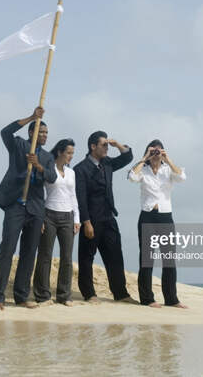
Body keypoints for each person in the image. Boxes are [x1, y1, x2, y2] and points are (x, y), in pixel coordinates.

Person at [0, 107, 57, 310]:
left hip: (36, 209)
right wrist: (32, 117)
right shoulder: (19, 146)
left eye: (46, 133)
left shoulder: (47, 157)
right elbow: (5, 132)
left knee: (29, 253)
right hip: (15, 206)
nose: (44, 136)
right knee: (7, 250)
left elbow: (52, 178)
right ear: (32, 133)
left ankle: (21, 296)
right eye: (41, 132)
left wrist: (38, 167)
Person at [74, 131, 137, 304]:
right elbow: (80, 198)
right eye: (104, 145)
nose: (107, 148)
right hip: (91, 220)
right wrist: (86, 222)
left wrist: (118, 145)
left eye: (108, 145)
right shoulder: (80, 169)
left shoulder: (107, 163)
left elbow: (127, 158)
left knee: (115, 256)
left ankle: (121, 293)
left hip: (109, 218)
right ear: (93, 146)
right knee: (87, 258)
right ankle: (89, 293)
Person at [128, 139, 187, 308]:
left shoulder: (168, 170)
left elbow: (182, 177)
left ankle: (172, 299)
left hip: (165, 217)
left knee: (169, 260)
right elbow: (132, 177)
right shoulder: (143, 170)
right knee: (147, 259)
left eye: (158, 151)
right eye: (153, 151)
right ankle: (147, 298)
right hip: (147, 217)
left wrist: (168, 160)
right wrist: (144, 157)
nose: (155, 154)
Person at [33, 138, 81, 307]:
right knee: (45, 256)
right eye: (68, 153)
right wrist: (40, 218)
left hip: (68, 216)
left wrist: (77, 219)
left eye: (72, 153)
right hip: (49, 215)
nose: (71, 156)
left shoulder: (71, 172)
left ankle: (64, 295)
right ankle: (42, 295)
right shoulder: (48, 169)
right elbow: (39, 193)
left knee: (67, 258)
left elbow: (73, 196)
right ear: (60, 152)